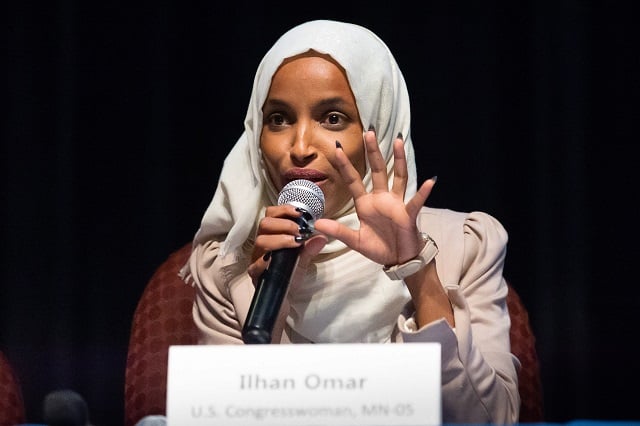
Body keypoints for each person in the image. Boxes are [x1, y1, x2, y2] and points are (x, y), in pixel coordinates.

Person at [179, 19, 520, 424]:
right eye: (279, 119)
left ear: (380, 124)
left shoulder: (465, 246)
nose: (301, 146)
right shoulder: (227, 265)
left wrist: (417, 271)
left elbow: (491, 419)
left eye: (333, 119)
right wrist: (276, 290)